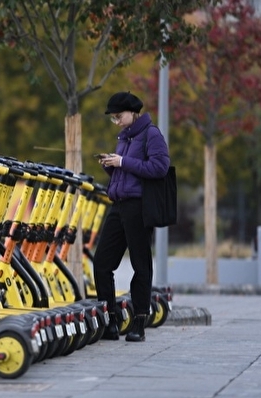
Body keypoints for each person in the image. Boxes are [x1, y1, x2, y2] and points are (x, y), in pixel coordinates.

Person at [93, 91, 170, 342]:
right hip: (118, 205)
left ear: (133, 113)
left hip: (138, 207)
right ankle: (110, 321)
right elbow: (126, 174)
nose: (116, 122)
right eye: (113, 118)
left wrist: (123, 162)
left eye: (119, 116)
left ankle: (139, 321)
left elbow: (160, 168)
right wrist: (111, 166)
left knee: (140, 264)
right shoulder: (124, 138)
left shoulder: (151, 134)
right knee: (102, 262)